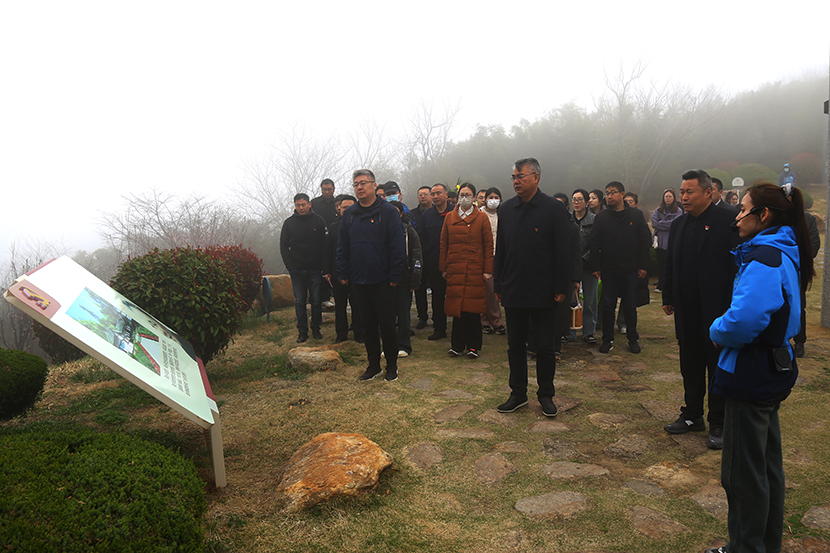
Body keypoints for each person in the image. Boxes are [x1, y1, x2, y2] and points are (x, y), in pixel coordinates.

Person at [704, 182, 814, 553]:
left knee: (742, 474)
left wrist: (716, 330)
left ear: (763, 215)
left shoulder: (764, 256)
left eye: (743, 209)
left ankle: (746, 548)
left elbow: (745, 320)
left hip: (751, 373)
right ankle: (764, 544)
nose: (737, 217)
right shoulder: (783, 250)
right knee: (766, 467)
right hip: (772, 367)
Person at [662, 169, 742, 449]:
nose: (684, 197)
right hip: (687, 308)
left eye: (690, 192)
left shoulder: (728, 220)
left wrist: (733, 307)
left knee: (716, 365)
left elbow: (736, 267)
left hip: (717, 309)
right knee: (690, 363)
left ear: (708, 192)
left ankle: (718, 421)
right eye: (682, 192)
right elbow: (671, 262)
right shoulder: (679, 224)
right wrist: (668, 294)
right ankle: (692, 414)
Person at [494, 157, 570, 417]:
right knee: (515, 346)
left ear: (536, 178)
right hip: (513, 288)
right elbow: (501, 249)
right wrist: (498, 282)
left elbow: (563, 250)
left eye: (521, 176)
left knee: (545, 346)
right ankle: (518, 393)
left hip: (544, 290)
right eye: (513, 177)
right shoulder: (506, 209)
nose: (516, 181)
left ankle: (546, 394)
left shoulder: (553, 208)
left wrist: (561, 285)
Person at [336, 170, 406, 382]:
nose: (359, 187)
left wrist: (395, 274)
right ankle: (373, 365)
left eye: (363, 183)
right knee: (367, 326)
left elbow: (397, 246)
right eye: (356, 184)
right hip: (358, 279)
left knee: (387, 325)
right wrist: (343, 271)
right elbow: (343, 246)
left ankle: (391, 365)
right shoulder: (350, 214)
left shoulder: (388, 212)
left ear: (374, 186)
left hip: (383, 279)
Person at [589, 181, 650, 354]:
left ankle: (633, 339)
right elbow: (594, 243)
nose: (609, 196)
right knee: (608, 305)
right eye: (607, 193)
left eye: (613, 192)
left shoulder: (636, 215)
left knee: (630, 305)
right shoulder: (602, 217)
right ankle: (607, 339)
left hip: (630, 268)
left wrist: (643, 265)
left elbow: (644, 241)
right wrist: (596, 266)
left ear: (622, 194)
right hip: (609, 269)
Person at [440, 183, 493, 358]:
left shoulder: (482, 218)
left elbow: (488, 245)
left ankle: (473, 346)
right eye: (462, 194)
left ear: (474, 197)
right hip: (455, 267)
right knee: (457, 308)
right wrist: (443, 267)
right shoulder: (450, 217)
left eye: (468, 195)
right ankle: (456, 346)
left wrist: (488, 270)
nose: (464, 198)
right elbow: (444, 244)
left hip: (475, 268)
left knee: (473, 308)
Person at [280, 193, 327, 343]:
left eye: (303, 205)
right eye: (298, 205)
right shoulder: (289, 223)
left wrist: (323, 266)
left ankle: (316, 328)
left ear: (309, 204)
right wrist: (290, 266)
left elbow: (324, 245)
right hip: (297, 270)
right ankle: (302, 331)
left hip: (315, 269)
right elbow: (283, 246)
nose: (301, 208)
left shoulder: (319, 221)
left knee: (316, 300)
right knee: (300, 301)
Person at [324, 194, 364, 344]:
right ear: (339, 209)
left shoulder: (363, 224)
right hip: (338, 272)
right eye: (344, 207)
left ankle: (359, 333)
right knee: (340, 306)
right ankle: (341, 334)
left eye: (350, 207)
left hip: (358, 272)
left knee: (358, 305)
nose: (347, 210)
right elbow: (328, 250)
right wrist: (327, 270)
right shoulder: (333, 227)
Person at [418, 183, 453, 341]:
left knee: (456, 295)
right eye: (433, 194)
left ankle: (460, 329)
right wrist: (428, 252)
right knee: (437, 297)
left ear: (446, 195)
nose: (436, 196)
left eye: (439, 193)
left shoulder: (455, 212)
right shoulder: (427, 215)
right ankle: (439, 328)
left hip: (454, 262)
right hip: (434, 262)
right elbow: (421, 236)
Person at [388, 201, 422, 358]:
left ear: (401, 213)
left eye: (396, 211)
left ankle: (404, 345)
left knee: (403, 315)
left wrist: (415, 279)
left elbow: (417, 256)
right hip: (385, 279)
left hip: (404, 279)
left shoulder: (409, 232)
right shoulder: (381, 230)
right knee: (387, 315)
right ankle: (389, 345)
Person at [553, 193, 582, 359]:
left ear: (566, 208)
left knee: (560, 313)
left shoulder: (572, 227)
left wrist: (576, 279)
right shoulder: (546, 224)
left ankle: (556, 347)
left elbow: (576, 254)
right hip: (545, 276)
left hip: (565, 275)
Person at [793, 210, 820, 357]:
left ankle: (799, 341)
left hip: (798, 269)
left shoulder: (808, 219)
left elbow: (814, 244)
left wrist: (801, 259)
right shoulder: (778, 216)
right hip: (778, 267)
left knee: (799, 306)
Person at [571, 189, 597, 343]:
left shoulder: (594, 220)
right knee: (571, 300)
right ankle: (570, 332)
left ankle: (589, 332)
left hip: (588, 266)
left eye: (580, 199)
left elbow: (596, 244)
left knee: (590, 300)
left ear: (587, 202)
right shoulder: (568, 220)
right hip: (571, 267)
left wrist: (584, 260)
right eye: (574, 199)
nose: (576, 202)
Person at [479, 187, 505, 335]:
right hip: (485, 257)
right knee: (488, 291)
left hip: (501, 257)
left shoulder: (503, 215)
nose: (493, 200)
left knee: (496, 291)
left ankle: (488, 320)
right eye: (491, 197)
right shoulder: (480, 214)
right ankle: (493, 321)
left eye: (496, 197)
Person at [410, 185, 433, 328]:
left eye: (425, 194)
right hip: (418, 256)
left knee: (437, 289)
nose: (423, 197)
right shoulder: (412, 214)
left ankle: (438, 316)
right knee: (419, 288)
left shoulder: (437, 212)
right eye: (420, 195)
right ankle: (422, 317)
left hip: (434, 256)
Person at [651, 188, 683, 292]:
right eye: (666, 196)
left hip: (672, 242)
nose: (668, 198)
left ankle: (671, 285)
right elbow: (654, 223)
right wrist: (666, 224)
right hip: (660, 242)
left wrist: (661, 223)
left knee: (671, 265)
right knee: (661, 265)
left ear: (674, 198)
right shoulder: (658, 210)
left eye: (670, 196)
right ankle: (661, 285)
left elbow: (675, 224)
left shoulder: (678, 211)